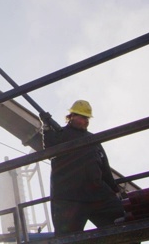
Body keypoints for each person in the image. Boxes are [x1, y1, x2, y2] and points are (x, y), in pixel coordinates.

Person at [41, 100, 124, 236]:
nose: (86, 121)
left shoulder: (92, 139)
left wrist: (114, 189)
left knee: (123, 224)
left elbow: (104, 166)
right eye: (83, 117)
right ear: (71, 116)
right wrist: (46, 127)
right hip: (69, 198)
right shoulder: (60, 135)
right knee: (66, 238)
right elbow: (49, 150)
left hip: (96, 192)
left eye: (87, 118)